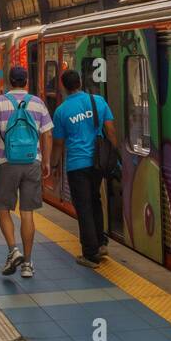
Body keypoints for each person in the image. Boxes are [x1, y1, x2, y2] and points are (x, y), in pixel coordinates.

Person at [0, 66, 52, 278]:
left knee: (3, 207)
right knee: (27, 213)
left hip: (7, 162)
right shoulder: (38, 103)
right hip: (33, 161)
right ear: (26, 81)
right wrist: (46, 162)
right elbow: (48, 135)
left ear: (9, 82)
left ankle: (13, 251)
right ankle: (28, 264)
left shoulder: (0, 102)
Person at [51, 69, 115, 267]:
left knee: (83, 207)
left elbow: (59, 144)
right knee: (95, 201)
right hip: (97, 162)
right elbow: (111, 131)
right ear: (80, 82)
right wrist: (114, 155)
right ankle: (101, 242)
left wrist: (53, 165)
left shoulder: (61, 111)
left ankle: (90, 253)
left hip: (76, 165)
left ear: (62, 86)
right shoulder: (98, 101)